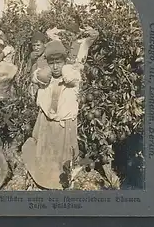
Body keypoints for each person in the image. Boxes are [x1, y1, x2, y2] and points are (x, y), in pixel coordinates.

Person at [21, 29, 99, 190]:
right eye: (52, 62)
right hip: (46, 121)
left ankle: (62, 181)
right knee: (46, 155)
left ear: (65, 61)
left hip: (64, 123)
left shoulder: (72, 73)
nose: (55, 66)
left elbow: (71, 75)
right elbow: (37, 77)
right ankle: (44, 180)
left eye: (59, 62)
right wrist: (50, 65)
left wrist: (64, 64)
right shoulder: (45, 75)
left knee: (63, 157)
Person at [28, 31, 48, 100]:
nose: (36, 48)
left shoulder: (47, 55)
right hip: (35, 85)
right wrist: (31, 60)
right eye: (34, 45)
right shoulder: (33, 55)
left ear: (44, 44)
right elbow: (29, 72)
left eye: (38, 45)